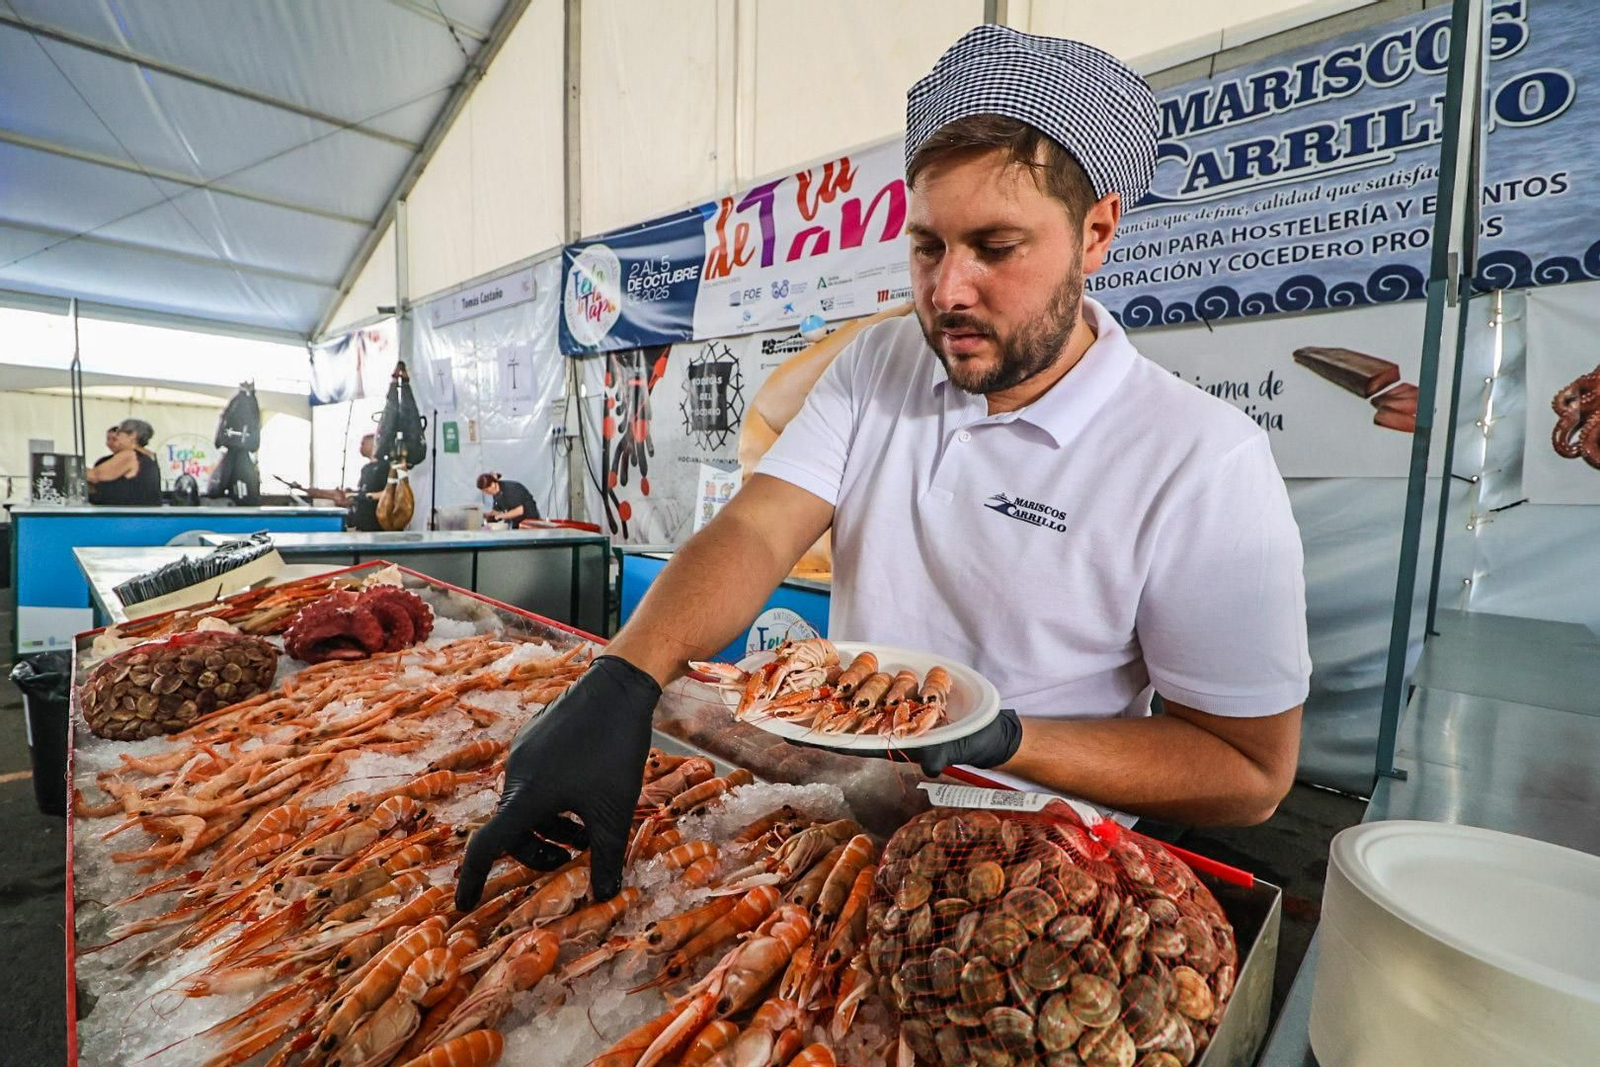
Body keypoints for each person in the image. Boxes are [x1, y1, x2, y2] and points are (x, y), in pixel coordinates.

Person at [455, 26, 1311, 909]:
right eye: (929, 246)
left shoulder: (1201, 459)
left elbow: (1248, 769)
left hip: (1037, 881)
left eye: (997, 246)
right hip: (853, 834)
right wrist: (626, 675)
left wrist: (1000, 737)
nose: (947, 291)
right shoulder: (882, 364)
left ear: (1096, 233)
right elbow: (758, 526)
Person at [284, 433, 387, 530]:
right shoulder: (366, 468)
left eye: (362, 444)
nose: (360, 447)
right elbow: (361, 491)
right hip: (362, 523)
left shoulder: (385, 467)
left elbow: (388, 493)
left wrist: (361, 496)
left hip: (376, 522)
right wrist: (303, 489)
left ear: (373, 444)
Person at [86, 418, 162, 506]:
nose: (116, 437)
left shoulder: (130, 455)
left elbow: (94, 476)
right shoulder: (150, 456)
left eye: (119, 433)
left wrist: (72, 468)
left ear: (132, 435)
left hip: (128, 515)